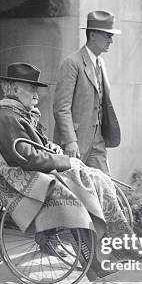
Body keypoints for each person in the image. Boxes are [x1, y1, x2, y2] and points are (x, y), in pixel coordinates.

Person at [0, 62, 133, 280]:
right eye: (31, 88)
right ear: (15, 88)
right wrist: (62, 160)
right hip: (24, 180)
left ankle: (118, 245)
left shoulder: (19, 113)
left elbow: (37, 146)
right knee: (77, 197)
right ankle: (95, 261)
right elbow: (27, 156)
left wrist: (53, 148)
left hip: (38, 173)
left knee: (97, 179)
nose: (35, 93)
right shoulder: (7, 118)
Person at [53, 10, 122, 176]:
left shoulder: (101, 63)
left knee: (106, 186)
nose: (111, 41)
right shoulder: (72, 63)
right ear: (92, 35)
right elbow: (61, 107)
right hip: (75, 142)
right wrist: (70, 140)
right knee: (71, 190)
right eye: (107, 35)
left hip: (98, 141)